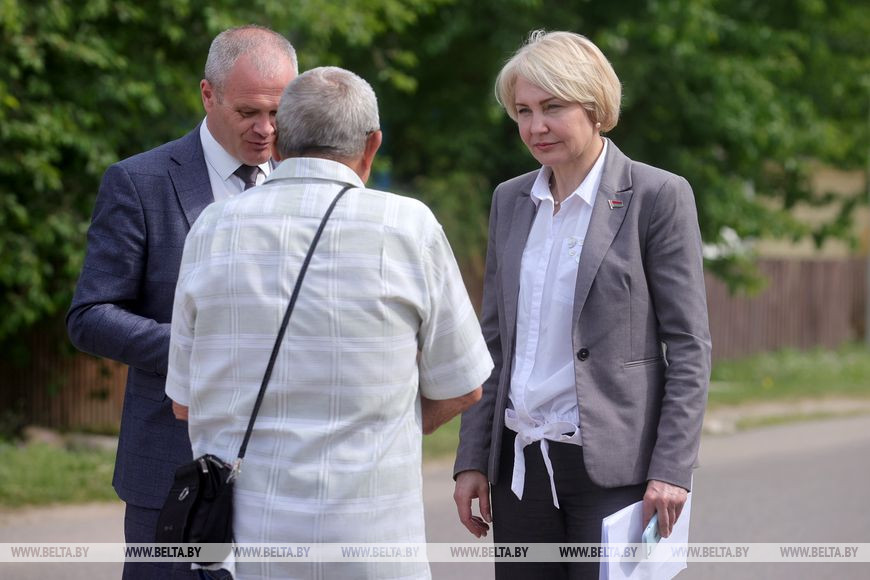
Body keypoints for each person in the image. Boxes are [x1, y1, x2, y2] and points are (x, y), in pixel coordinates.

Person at [166, 66, 494, 579]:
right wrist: (385, 425)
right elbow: (464, 385)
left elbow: (184, 402)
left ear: (278, 143)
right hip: (373, 545)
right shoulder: (408, 227)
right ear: (372, 146)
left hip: (249, 550)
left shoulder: (212, 227)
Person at [453, 30, 712, 579]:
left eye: (552, 107)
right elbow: (492, 341)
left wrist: (673, 468)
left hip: (616, 472)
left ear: (595, 108)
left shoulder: (657, 196)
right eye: (523, 111)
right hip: (520, 467)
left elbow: (689, 346)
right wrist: (473, 458)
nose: (535, 127)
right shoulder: (509, 199)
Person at [66, 25, 297, 579]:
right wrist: (200, 349)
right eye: (248, 112)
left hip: (287, 470)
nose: (266, 129)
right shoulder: (138, 181)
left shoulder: (304, 184)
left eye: (278, 112)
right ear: (208, 95)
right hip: (172, 467)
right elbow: (90, 316)